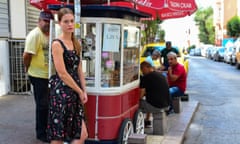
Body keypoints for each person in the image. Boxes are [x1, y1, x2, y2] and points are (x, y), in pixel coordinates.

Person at [47, 8, 88, 144]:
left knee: (82, 135)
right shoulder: (57, 44)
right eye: (66, 21)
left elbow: (79, 69)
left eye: (71, 21)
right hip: (62, 93)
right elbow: (62, 74)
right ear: (59, 23)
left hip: (75, 92)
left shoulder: (76, 43)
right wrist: (79, 90)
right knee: (58, 136)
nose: (70, 24)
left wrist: (84, 90)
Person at [23, 10, 54, 142]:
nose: (47, 23)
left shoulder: (51, 34)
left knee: (49, 105)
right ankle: (41, 134)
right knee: (42, 105)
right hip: (38, 76)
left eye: (49, 21)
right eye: (44, 21)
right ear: (39, 21)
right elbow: (26, 55)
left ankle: (48, 129)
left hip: (49, 75)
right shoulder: (35, 35)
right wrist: (27, 68)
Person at [139, 61, 170, 128]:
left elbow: (141, 94)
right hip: (166, 105)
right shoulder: (160, 75)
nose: (142, 71)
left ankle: (137, 122)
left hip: (157, 106)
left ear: (148, 68)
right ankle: (147, 120)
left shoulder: (146, 77)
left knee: (137, 104)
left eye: (142, 69)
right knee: (149, 99)